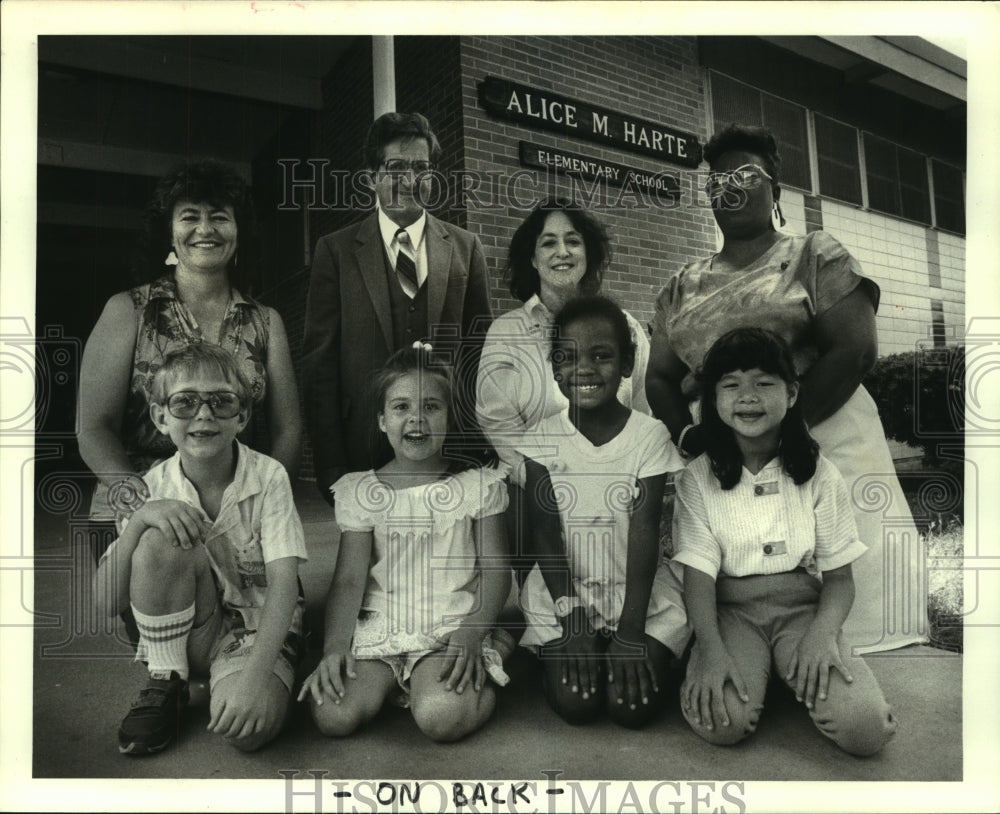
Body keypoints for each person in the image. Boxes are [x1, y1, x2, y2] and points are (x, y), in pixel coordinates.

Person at [646, 123, 925, 654]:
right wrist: (689, 436)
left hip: (821, 432)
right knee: (744, 594)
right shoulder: (682, 283)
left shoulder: (814, 255)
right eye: (718, 179)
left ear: (775, 187)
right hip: (729, 447)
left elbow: (855, 350)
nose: (730, 185)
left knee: (854, 612)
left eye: (746, 174)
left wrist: (785, 430)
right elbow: (659, 375)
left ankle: (845, 669)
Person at [672, 327, 897, 756]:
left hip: (801, 611)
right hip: (731, 613)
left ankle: (785, 668)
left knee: (865, 730)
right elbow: (698, 578)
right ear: (712, 400)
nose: (748, 397)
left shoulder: (819, 473)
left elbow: (839, 579)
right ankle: (753, 669)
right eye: (731, 385)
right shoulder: (697, 479)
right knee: (723, 722)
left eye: (764, 383)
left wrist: (821, 636)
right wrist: (712, 651)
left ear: (792, 393)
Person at [93, 344, 307, 756]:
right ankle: (167, 679)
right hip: (193, 632)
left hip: (256, 628)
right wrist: (140, 519)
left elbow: (284, 583)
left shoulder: (269, 476)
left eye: (221, 401)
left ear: (242, 416)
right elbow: (104, 602)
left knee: (248, 731)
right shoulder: (151, 488)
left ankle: (245, 673)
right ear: (160, 416)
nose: (204, 414)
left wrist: (254, 679)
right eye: (185, 401)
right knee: (156, 536)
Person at [298, 343, 512, 743]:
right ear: (381, 420)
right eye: (400, 407)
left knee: (440, 717)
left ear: (450, 417)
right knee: (333, 714)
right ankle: (399, 681)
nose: (416, 417)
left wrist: (471, 632)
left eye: (432, 406)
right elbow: (348, 581)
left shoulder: (477, 485)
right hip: (382, 626)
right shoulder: (361, 489)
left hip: (449, 626)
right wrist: (334, 648)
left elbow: (497, 570)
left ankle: (487, 650)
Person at [78, 158, 301, 538]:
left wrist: (266, 502)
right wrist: (145, 506)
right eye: (189, 217)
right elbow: (92, 428)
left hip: (237, 506)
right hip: (140, 503)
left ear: (238, 231)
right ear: (168, 232)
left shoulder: (266, 321)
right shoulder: (128, 310)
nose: (205, 229)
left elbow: (288, 429)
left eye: (219, 217)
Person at [302, 112, 493, 504]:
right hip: (362, 449)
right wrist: (330, 465)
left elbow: (481, 355)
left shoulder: (465, 248)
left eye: (421, 168)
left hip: (449, 448)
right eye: (396, 167)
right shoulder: (336, 251)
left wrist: (476, 447)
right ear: (373, 176)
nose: (409, 180)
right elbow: (320, 366)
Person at [518, 296, 689, 728]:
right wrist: (570, 615)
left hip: (636, 592)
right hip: (564, 590)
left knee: (631, 709)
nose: (585, 369)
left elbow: (645, 532)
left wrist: (631, 631)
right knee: (577, 704)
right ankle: (566, 650)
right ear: (555, 369)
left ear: (628, 363)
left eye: (602, 356)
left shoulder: (649, 437)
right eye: (569, 358)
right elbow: (543, 533)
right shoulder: (542, 439)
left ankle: (625, 646)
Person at [476, 198, 650, 577]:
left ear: (588, 253)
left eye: (573, 241)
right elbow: (499, 425)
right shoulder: (506, 333)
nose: (562, 252)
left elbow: (642, 409)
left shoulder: (625, 327)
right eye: (548, 242)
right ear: (533, 259)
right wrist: (550, 484)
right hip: (536, 491)